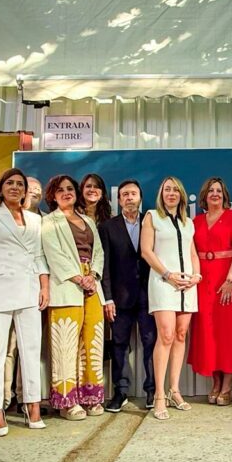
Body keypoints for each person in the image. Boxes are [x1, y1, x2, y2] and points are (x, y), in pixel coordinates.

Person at [0, 168, 50, 436]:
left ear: (26, 191)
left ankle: (33, 405)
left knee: (30, 351)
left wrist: (44, 286)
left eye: (20, 184)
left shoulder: (34, 219)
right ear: (1, 189)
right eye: (10, 183)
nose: (15, 187)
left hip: (29, 289)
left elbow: (39, 255)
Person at [41, 174, 106, 419]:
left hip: (93, 286)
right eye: (60, 190)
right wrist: (78, 277)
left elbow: (98, 251)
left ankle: (91, 397)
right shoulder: (49, 222)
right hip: (67, 285)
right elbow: (53, 254)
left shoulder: (88, 221)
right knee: (65, 344)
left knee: (93, 341)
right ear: (53, 196)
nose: (66, 193)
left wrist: (94, 275)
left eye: (70, 188)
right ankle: (68, 402)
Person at [141, 177, 201, 421]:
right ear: (161, 194)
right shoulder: (152, 216)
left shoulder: (188, 223)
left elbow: (192, 253)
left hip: (187, 285)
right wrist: (168, 274)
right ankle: (158, 395)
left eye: (176, 189)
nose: (172, 193)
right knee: (165, 335)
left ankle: (175, 390)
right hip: (163, 283)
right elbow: (146, 251)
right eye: (167, 189)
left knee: (180, 335)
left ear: (182, 194)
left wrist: (196, 276)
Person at [190, 177, 232, 405]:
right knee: (207, 331)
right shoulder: (195, 222)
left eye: (219, 190)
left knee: (227, 332)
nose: (215, 194)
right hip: (203, 280)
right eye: (211, 191)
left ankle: (227, 384)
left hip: (227, 280)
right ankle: (215, 382)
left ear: (225, 196)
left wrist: (230, 280)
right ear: (204, 196)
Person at [100, 180, 157, 411]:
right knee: (120, 345)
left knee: (150, 343)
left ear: (141, 197)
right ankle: (120, 392)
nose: (129, 197)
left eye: (133, 193)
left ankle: (152, 392)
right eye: (125, 194)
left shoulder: (152, 222)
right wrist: (108, 297)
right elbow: (104, 265)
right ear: (119, 199)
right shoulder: (107, 227)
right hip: (120, 298)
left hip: (149, 295)